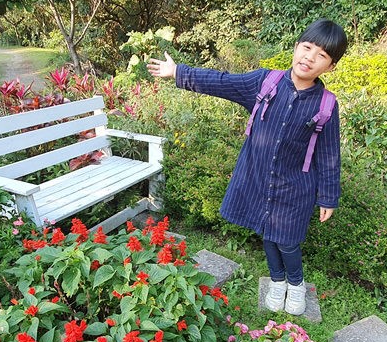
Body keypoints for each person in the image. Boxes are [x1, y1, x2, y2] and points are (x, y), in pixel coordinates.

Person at [146, 18, 346, 316]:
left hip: (296, 188)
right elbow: (223, 82)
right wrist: (178, 72)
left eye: (322, 56)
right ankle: (277, 282)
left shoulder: (326, 105)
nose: (310, 58)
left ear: (330, 67)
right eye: (307, 48)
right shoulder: (265, 83)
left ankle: (296, 283)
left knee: (288, 241)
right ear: (295, 48)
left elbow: (329, 154)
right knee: (267, 235)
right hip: (259, 180)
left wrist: (328, 197)